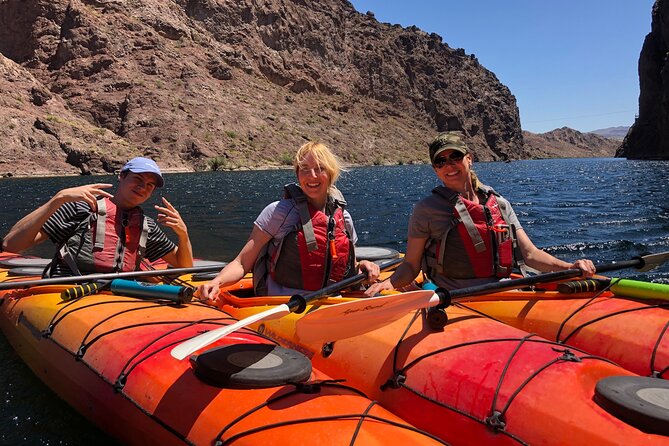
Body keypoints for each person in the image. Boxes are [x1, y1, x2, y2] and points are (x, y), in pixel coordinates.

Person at [365, 131, 595, 295]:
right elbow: (410, 265)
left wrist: (569, 267)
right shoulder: (426, 210)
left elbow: (530, 255)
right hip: (455, 297)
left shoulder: (500, 204)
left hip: (504, 291)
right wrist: (391, 283)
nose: (450, 165)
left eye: (455, 156)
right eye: (441, 161)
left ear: (469, 159)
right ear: (435, 169)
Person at [199, 141, 380, 301]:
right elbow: (242, 262)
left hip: (329, 302)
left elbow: (349, 267)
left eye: (320, 169)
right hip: (284, 304)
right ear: (297, 174)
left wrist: (362, 267)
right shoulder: (278, 212)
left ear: (331, 173)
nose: (312, 176)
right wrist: (217, 282)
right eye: (305, 169)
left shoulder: (344, 218)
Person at [1, 157, 193, 276]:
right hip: (70, 289)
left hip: (121, 294)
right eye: (138, 179)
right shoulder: (82, 208)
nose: (143, 188)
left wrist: (183, 234)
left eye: (150, 185)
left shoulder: (146, 225)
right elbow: (12, 245)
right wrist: (57, 200)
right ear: (122, 177)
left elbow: (185, 266)